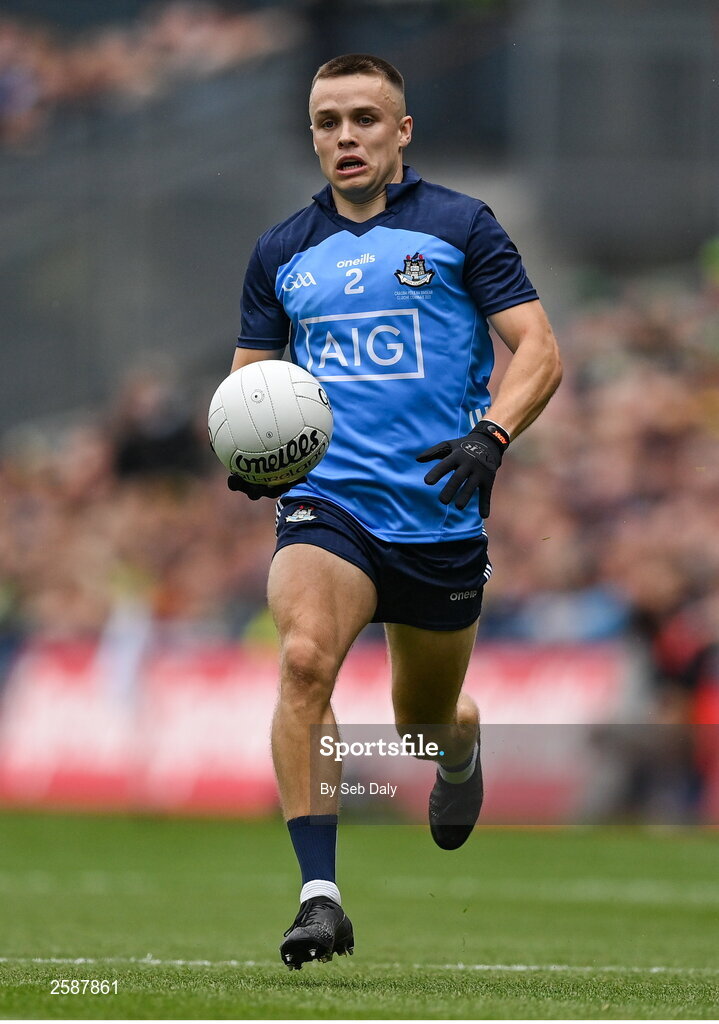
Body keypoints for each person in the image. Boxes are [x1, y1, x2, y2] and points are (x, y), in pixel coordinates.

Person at [226, 53, 562, 969]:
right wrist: (246, 449)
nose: (346, 137)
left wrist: (491, 434)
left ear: (401, 131)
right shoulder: (281, 251)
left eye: (365, 119)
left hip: (439, 512)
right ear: (313, 135)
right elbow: (249, 381)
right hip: (328, 505)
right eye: (328, 121)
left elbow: (537, 348)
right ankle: (319, 896)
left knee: (420, 720)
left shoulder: (462, 226)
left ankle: (458, 747)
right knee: (302, 662)